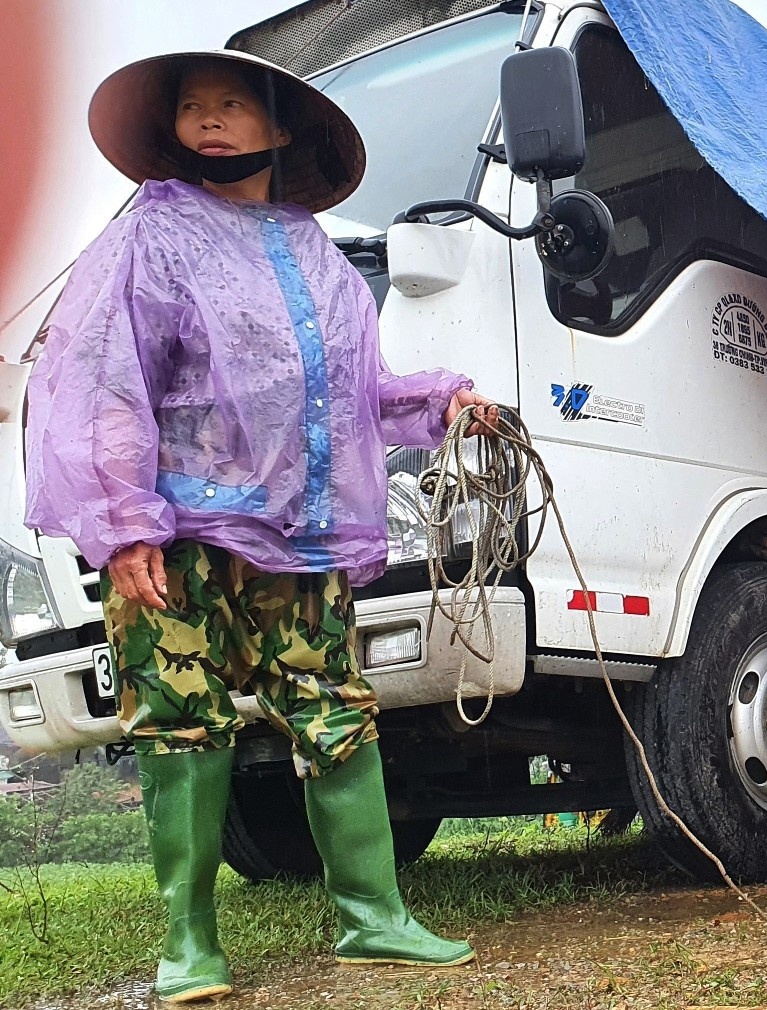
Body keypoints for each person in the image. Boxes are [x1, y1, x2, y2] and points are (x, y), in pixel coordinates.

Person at [23, 50, 496, 1003]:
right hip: (180, 534)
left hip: (297, 537)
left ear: (279, 130)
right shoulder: (149, 238)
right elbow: (110, 385)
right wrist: (124, 526)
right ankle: (188, 944)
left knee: (334, 709)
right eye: (193, 107)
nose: (208, 119)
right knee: (179, 720)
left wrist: (441, 400)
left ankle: (374, 917)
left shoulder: (317, 254)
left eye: (230, 104)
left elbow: (346, 396)